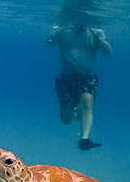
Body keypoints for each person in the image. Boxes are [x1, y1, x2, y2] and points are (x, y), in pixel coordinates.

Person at [47, 18, 111, 150]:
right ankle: (76, 111)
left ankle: (85, 139)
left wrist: (98, 39)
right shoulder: (65, 30)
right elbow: (49, 43)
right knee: (66, 119)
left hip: (86, 77)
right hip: (65, 78)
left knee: (87, 102)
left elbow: (108, 51)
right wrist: (57, 32)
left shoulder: (96, 31)